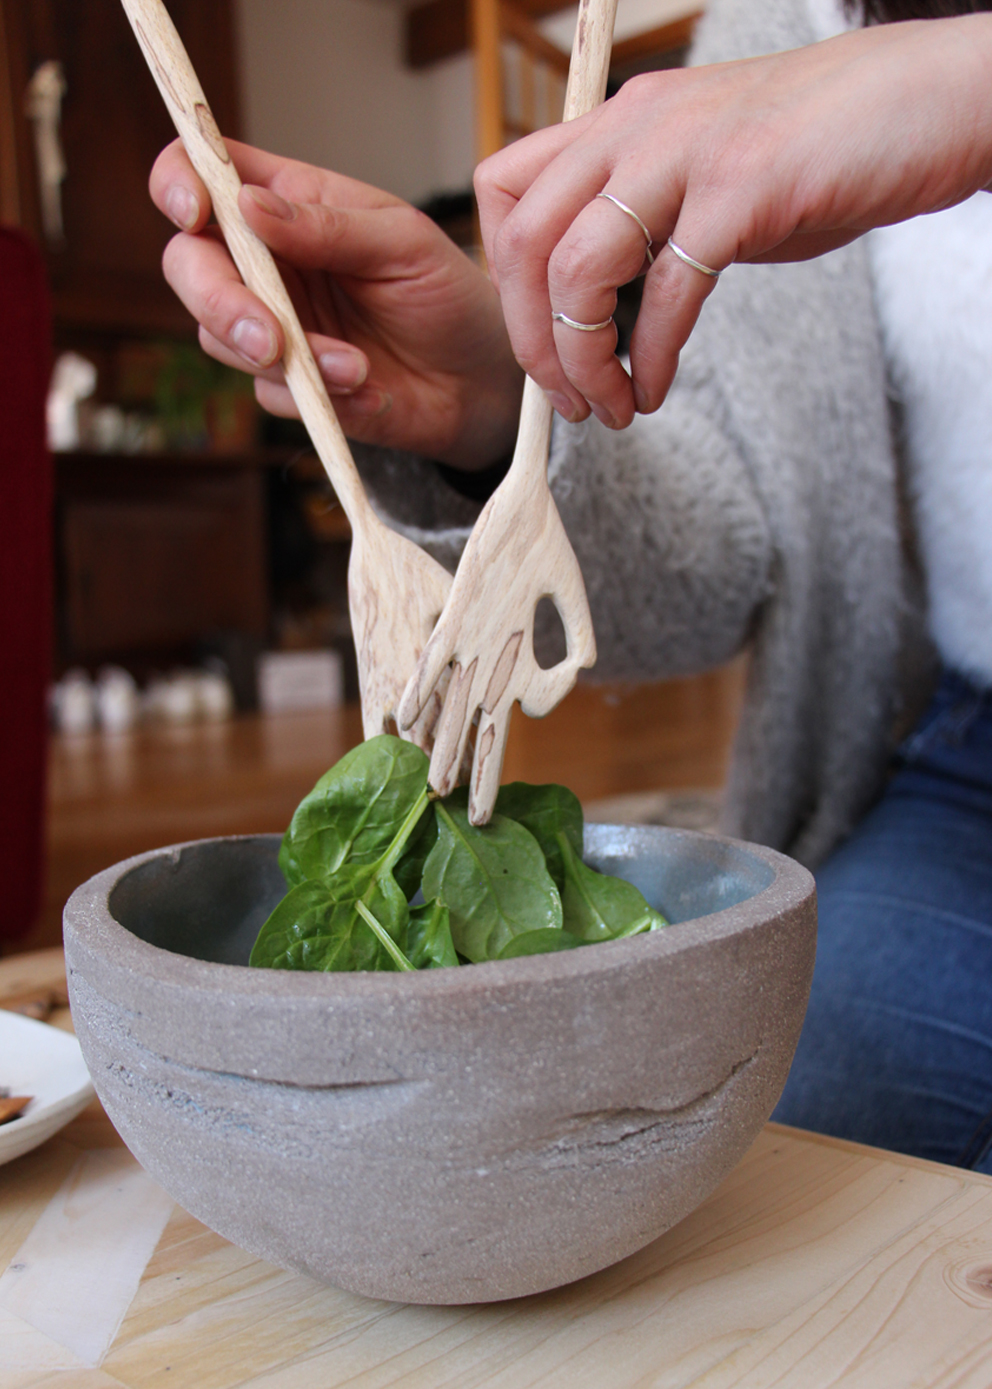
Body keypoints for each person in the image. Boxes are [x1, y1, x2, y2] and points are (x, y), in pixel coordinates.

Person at [149, 0, 992, 1172]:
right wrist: (498, 409)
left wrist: (963, 83)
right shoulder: (785, 20)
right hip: (967, 762)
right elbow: (727, 554)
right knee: (811, 1119)